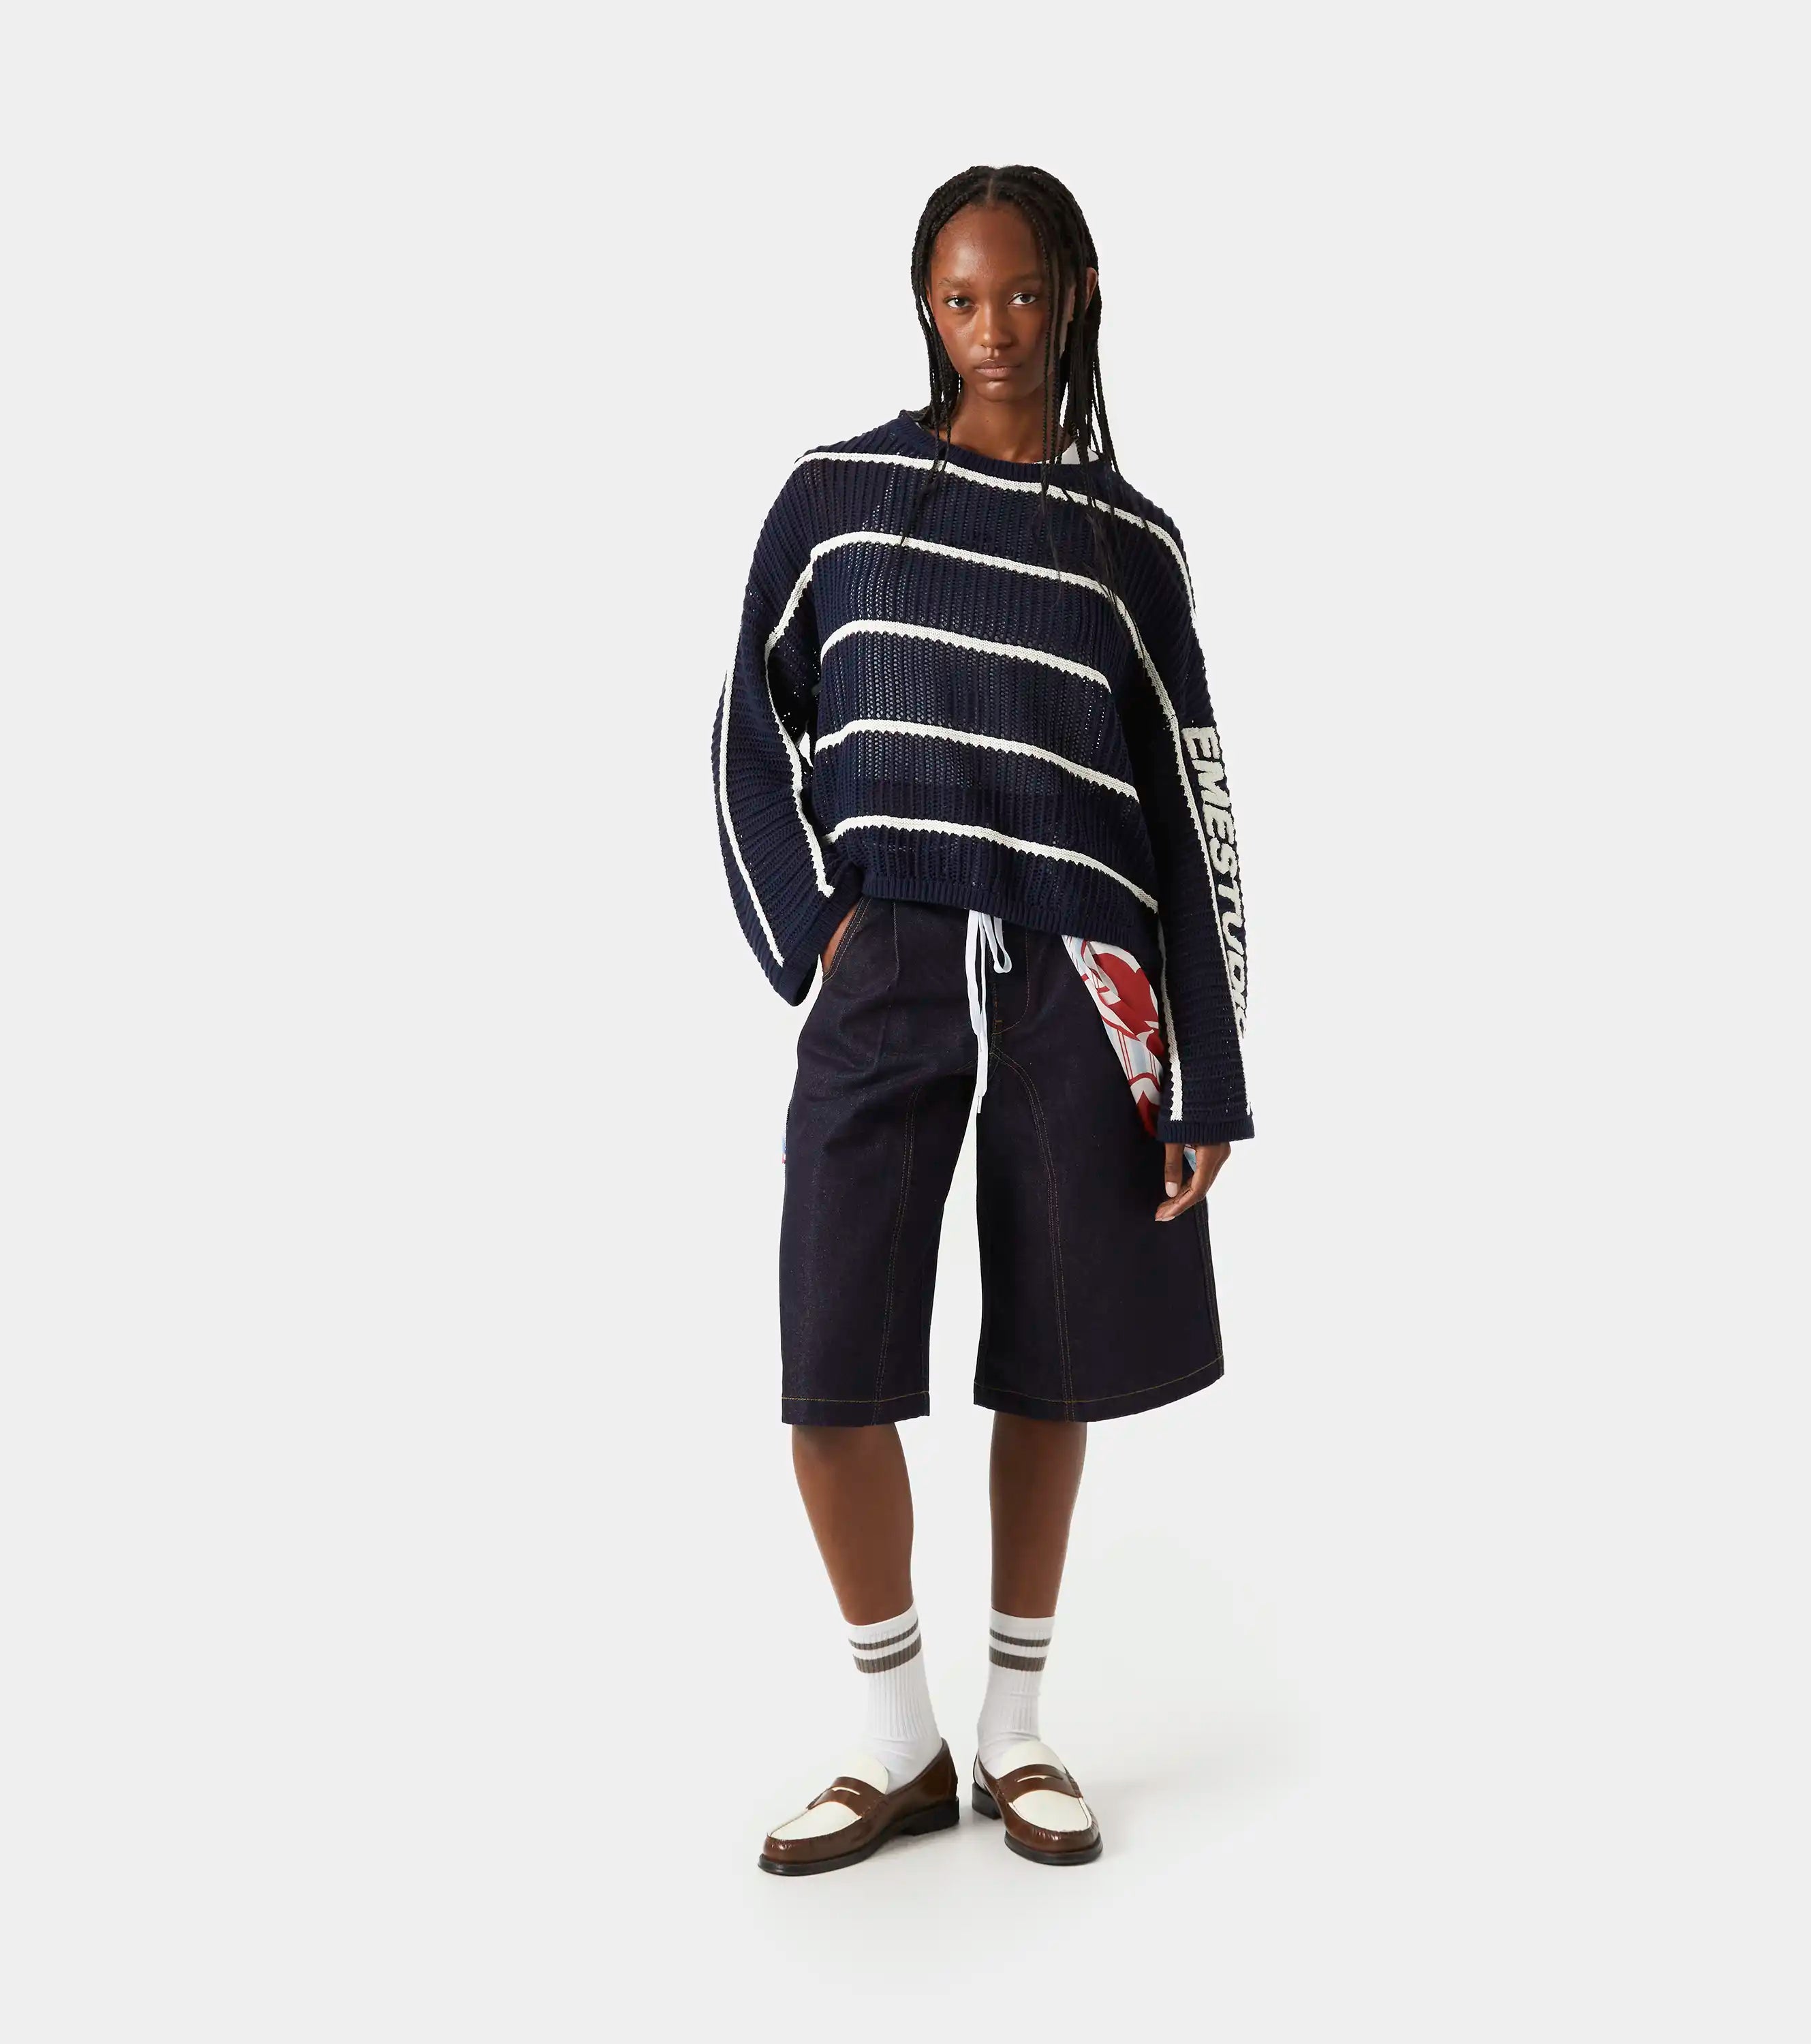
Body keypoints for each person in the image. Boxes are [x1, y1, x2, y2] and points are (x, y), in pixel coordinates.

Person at [711, 164, 1253, 1874]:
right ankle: (899, 1740)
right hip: (886, 968)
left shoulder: (1129, 545)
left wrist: (1208, 1072)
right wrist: (821, 927)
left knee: (1054, 1355)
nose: (995, 329)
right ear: (925, 308)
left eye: (1023, 293)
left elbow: (1193, 811)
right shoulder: (837, 500)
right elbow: (745, 728)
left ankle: (1015, 1729)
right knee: (830, 1370)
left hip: (1080, 981)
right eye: (962, 299)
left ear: (1076, 293)